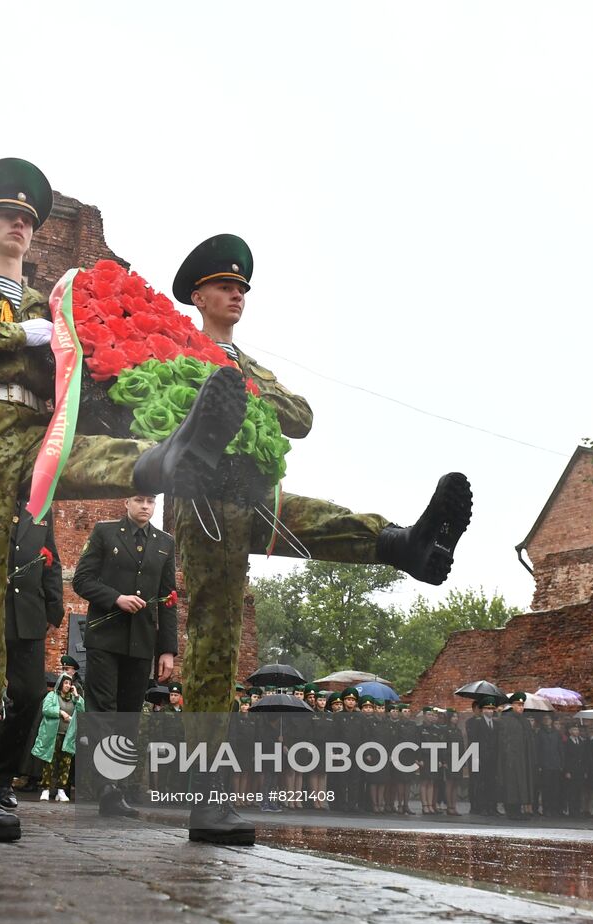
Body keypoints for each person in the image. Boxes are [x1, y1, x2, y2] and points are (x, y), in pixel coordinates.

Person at [0, 158, 250, 843]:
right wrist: (17, 335)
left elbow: (90, 372)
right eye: (10, 215)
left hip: (42, 430)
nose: (21, 226)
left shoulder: (54, 305)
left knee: (126, 464)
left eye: (30, 219)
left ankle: (170, 456)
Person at [167, 234, 473, 844]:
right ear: (198, 295)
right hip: (200, 498)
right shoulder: (170, 345)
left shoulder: (247, 364)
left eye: (243, 289)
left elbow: (300, 415)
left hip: (250, 491)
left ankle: (404, 544)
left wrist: (242, 389)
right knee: (214, 638)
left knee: (318, 517)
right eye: (226, 286)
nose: (237, 295)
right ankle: (208, 799)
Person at [72, 493, 178, 816]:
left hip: (142, 641)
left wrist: (167, 650)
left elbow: (168, 599)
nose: (145, 506)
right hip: (105, 636)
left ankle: (115, 786)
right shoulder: (105, 532)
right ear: (127, 503)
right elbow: (82, 580)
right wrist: (116, 598)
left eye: (151, 501)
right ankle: (106, 787)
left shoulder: (165, 543)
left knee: (129, 716)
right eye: (139, 500)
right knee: (103, 710)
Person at [0, 499, 65, 810]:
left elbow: (52, 561)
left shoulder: (40, 508)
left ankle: (1, 774)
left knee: (32, 694)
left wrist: (53, 608)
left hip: (28, 615)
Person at [33, 672, 82, 802]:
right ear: (60, 684)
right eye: (65, 683)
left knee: (65, 763)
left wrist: (77, 696)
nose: (68, 685)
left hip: (68, 736)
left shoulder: (74, 699)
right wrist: (60, 712)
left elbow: (82, 711)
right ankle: (46, 789)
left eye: (70, 683)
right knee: (49, 762)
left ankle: (61, 790)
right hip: (52, 735)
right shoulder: (52, 696)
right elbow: (46, 709)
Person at [466, 699, 499, 815]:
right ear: (483, 710)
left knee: (492, 782)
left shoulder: (496, 723)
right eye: (487, 709)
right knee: (481, 783)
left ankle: (492, 807)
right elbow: (474, 740)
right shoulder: (477, 722)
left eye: (491, 709)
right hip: (481, 757)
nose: (490, 711)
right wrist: (476, 757)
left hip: (493, 758)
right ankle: (483, 807)